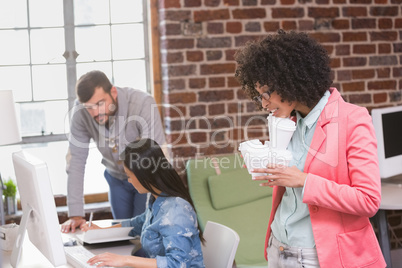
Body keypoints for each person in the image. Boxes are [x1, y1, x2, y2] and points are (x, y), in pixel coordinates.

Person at [234, 30, 386, 267]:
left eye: (266, 93)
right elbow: (289, 180)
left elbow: (368, 200)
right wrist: (265, 165)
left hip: (317, 256)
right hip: (278, 247)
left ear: (288, 81)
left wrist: (304, 180)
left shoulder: (352, 119)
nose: (262, 103)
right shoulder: (288, 123)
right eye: (258, 96)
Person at [62, 70, 167, 233]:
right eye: (89, 107)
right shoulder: (80, 113)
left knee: (142, 232)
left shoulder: (143, 104)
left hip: (146, 178)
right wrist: (76, 215)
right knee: (121, 235)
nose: (95, 112)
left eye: (100, 104)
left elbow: (154, 160)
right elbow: (76, 160)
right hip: (116, 179)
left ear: (113, 92)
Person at [80, 138, 205, 268]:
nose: (129, 181)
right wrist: (101, 232)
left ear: (143, 175)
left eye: (129, 176)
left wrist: (125, 260)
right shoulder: (157, 199)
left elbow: (178, 264)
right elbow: (137, 224)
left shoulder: (176, 210)